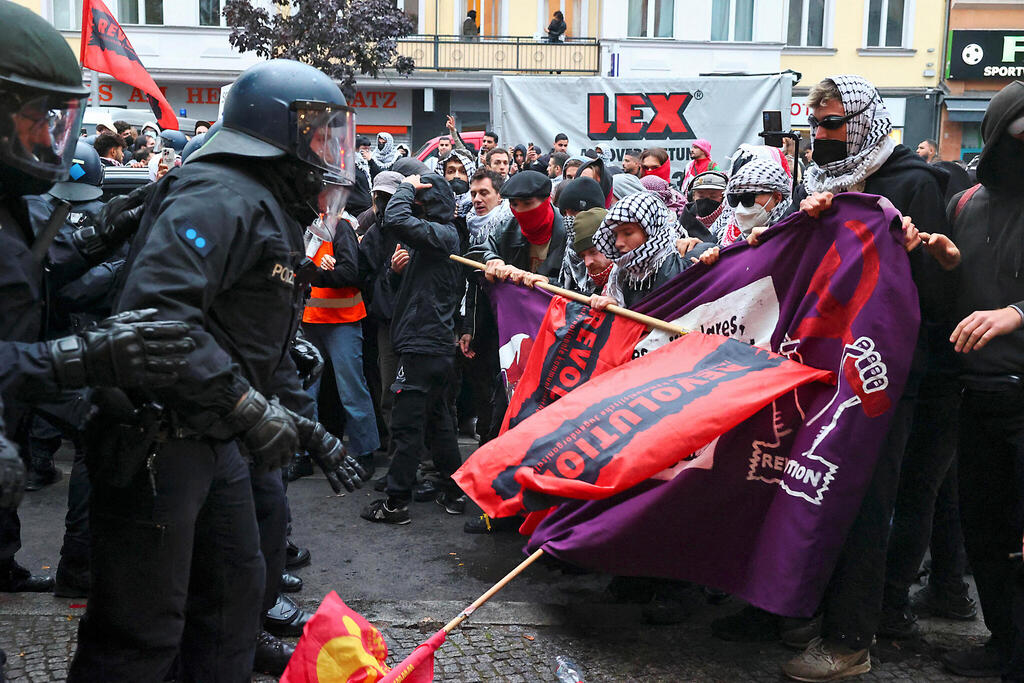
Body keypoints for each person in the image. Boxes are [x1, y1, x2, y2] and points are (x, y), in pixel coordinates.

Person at [68, 59, 366, 681]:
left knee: (231, 601)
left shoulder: (261, 200)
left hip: (211, 436)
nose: (328, 149)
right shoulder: (221, 195)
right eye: (318, 133)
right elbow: (156, 317)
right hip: (159, 437)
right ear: (275, 132)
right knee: (141, 628)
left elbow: (234, 326)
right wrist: (249, 408)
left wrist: (283, 391)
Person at [0, 0, 195, 614]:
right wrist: (79, 356)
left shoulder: (12, 202)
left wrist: (125, 215)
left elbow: (50, 260)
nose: (49, 135)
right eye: (39, 114)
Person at [779, 74, 957, 683]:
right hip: (828, 368)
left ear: (862, 120)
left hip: (888, 377)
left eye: (832, 123)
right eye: (815, 125)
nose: (821, 135)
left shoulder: (913, 184)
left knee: (866, 502)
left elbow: (933, 294)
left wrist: (912, 247)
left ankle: (852, 638)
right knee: (820, 490)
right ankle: (827, 608)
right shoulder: (829, 182)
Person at [939, 79, 1024, 680]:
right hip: (975, 399)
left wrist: (1017, 313)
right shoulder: (967, 205)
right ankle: (1002, 641)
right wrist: (944, 261)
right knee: (986, 534)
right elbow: (955, 294)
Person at [361, 173, 467, 524]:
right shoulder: (436, 241)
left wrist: (407, 186)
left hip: (424, 346)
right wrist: (394, 274)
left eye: (421, 202)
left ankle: (395, 504)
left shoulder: (444, 234)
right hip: (430, 344)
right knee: (438, 423)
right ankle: (453, 493)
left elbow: (396, 218)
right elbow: (414, 291)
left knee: (407, 426)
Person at [302, 183, 381, 477]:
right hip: (313, 321)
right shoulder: (311, 226)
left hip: (341, 321)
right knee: (307, 392)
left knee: (350, 390)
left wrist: (315, 275)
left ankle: (364, 452)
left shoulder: (340, 227)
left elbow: (350, 273)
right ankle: (303, 454)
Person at [589, 192, 716, 309]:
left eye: (628, 233)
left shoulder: (688, 256)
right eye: (615, 235)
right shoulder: (623, 275)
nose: (618, 243)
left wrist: (714, 260)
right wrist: (614, 306)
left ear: (650, 231)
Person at [710, 158, 791, 247]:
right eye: (734, 199)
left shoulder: (793, 235)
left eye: (748, 198)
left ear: (777, 197)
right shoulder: (726, 235)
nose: (740, 208)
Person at [568, 207, 613, 295]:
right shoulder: (587, 285)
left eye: (593, 252)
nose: (587, 263)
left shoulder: (637, 283)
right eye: (583, 256)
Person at [660, 172, 715, 241]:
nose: (707, 200)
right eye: (701, 196)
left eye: (713, 196)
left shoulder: (728, 225)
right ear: (692, 197)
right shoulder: (682, 223)